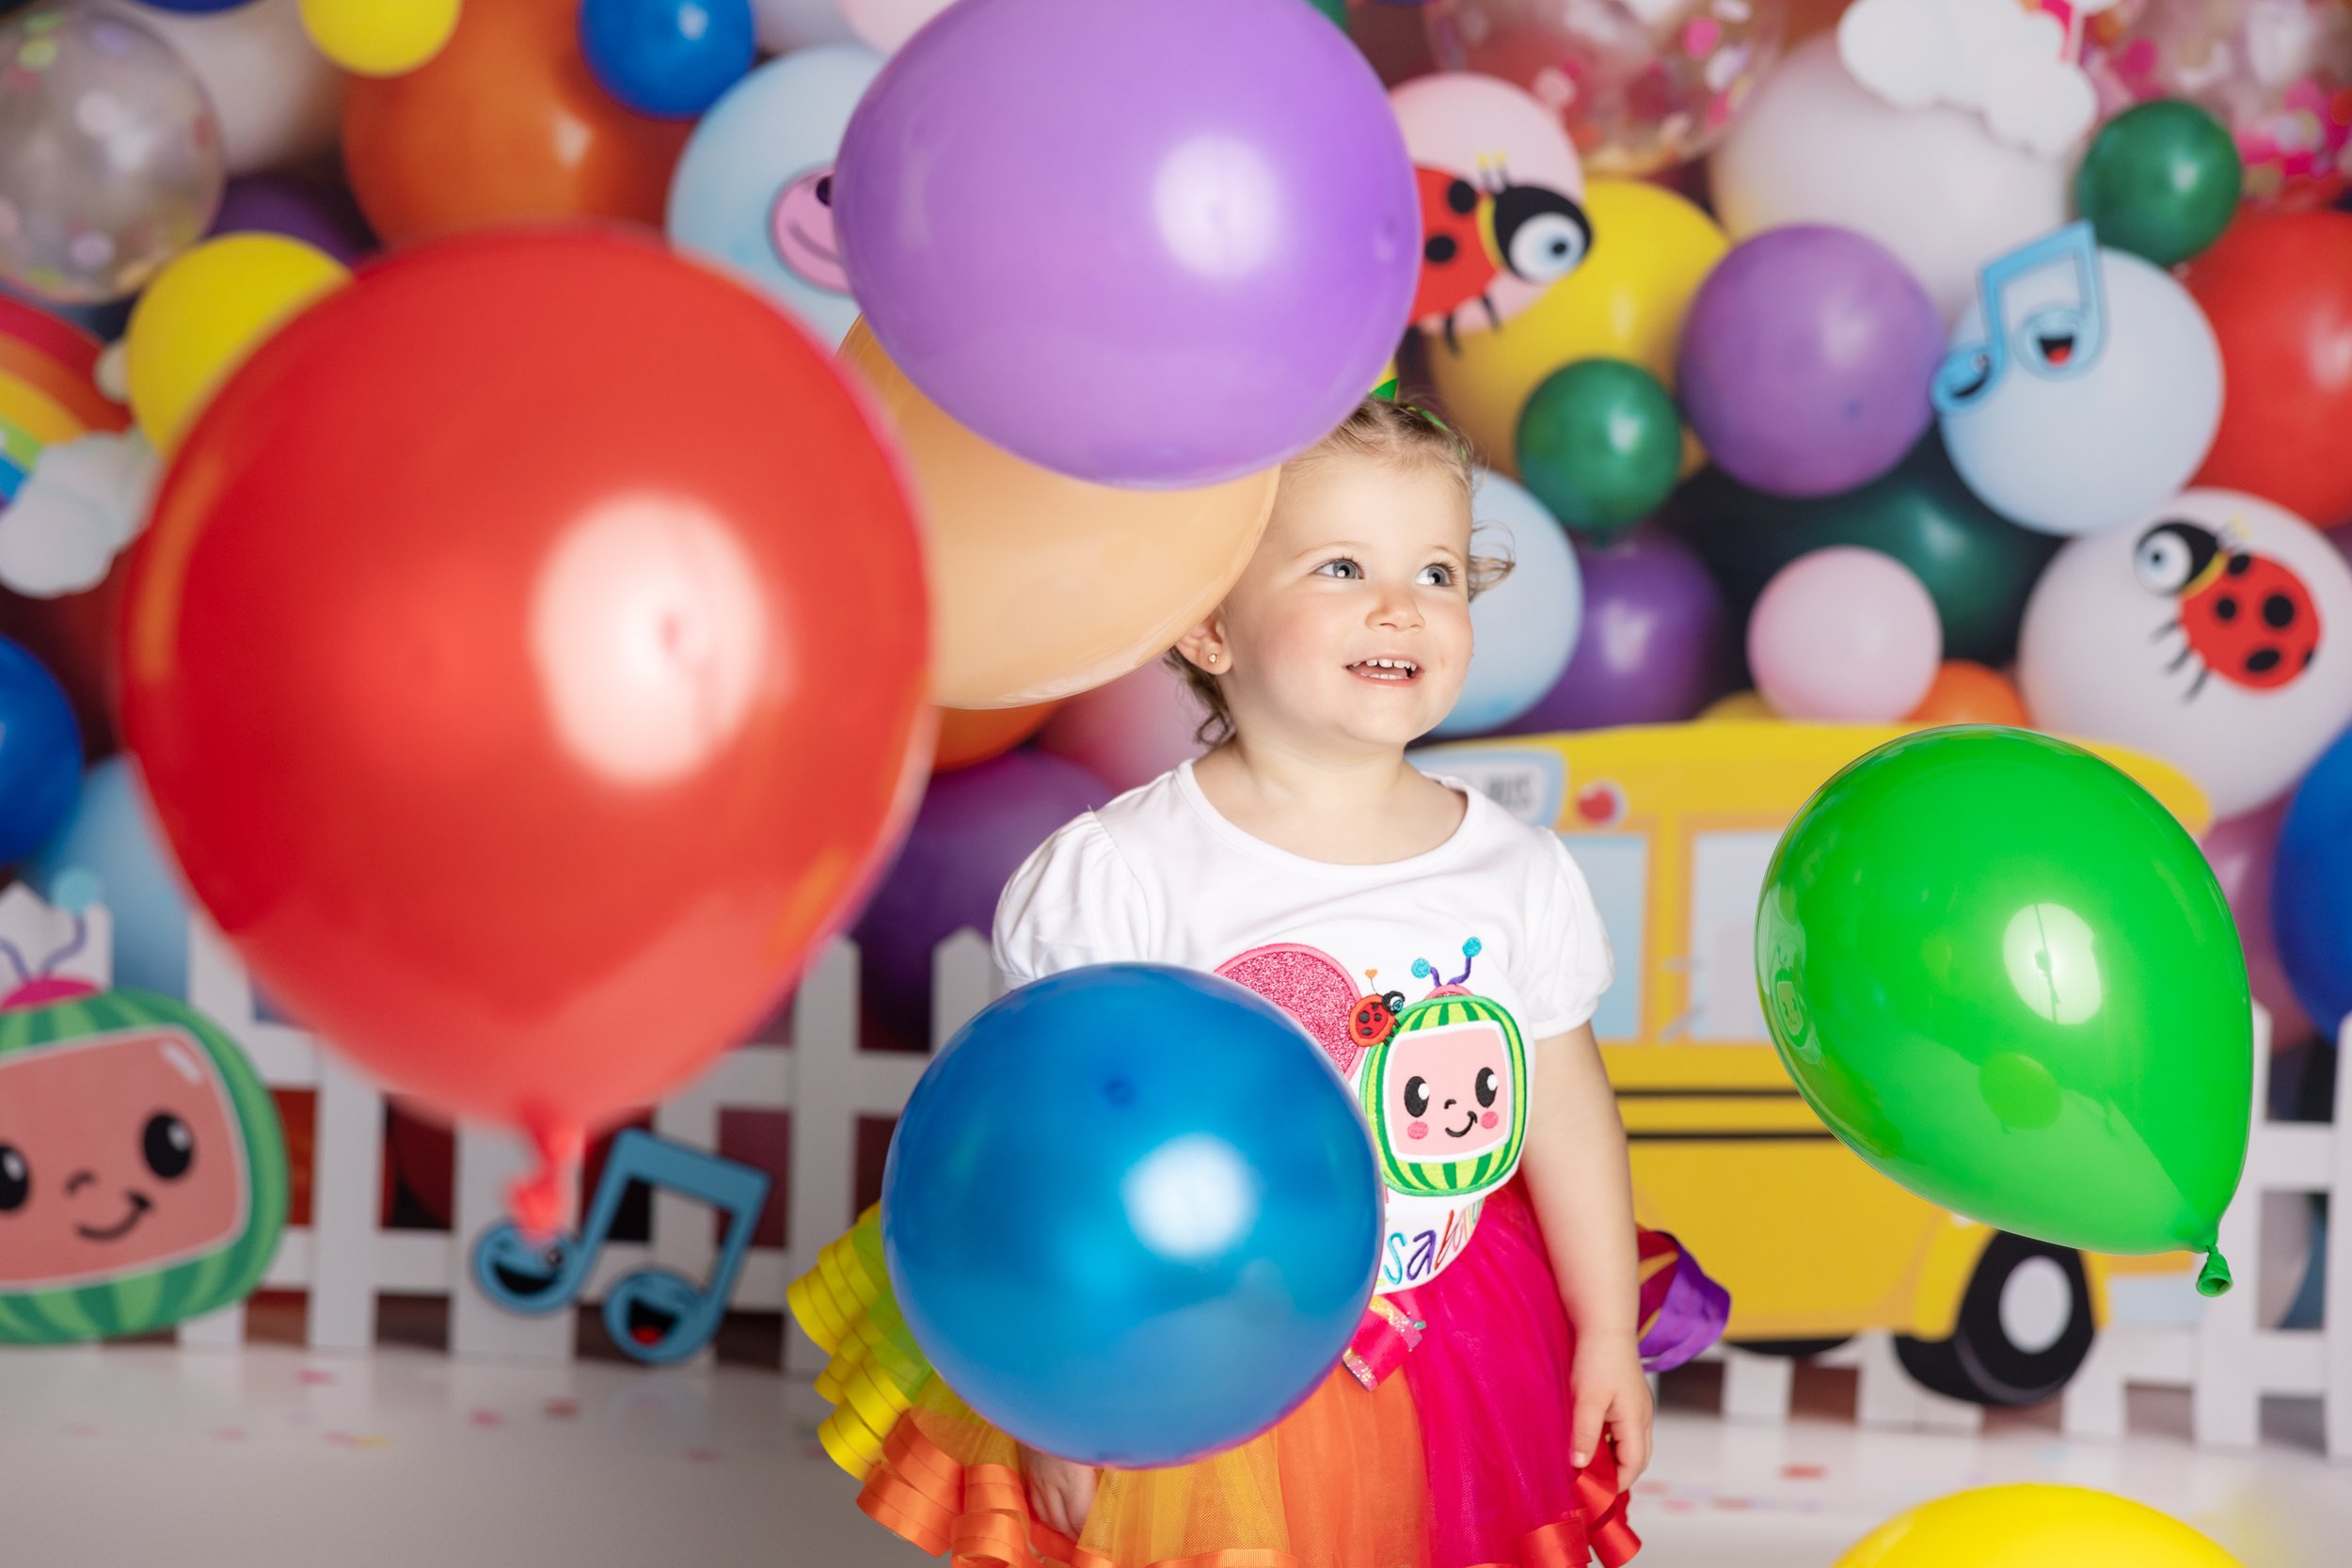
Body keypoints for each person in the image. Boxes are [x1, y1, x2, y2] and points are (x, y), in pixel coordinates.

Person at [792, 398, 1660, 1568]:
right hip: (1183, 1332)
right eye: (1342, 566)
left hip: (1440, 1335)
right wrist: (1059, 1396)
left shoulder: (1515, 871)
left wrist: (1604, 1326)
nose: (1400, 604)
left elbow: (1566, 1111)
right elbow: (1043, 1159)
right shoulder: (1126, 869)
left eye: (1438, 571)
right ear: (1209, 624)